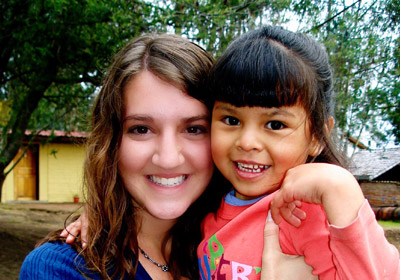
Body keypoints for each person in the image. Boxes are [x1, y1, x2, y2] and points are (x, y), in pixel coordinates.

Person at [19, 33, 316, 280]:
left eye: (194, 129)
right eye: (141, 129)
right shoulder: (62, 269)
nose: (168, 158)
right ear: (111, 141)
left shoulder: (227, 247)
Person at [197, 25, 400, 279]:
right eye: (231, 120)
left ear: (317, 136)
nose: (247, 142)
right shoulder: (207, 210)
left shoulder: (302, 214)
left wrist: (341, 188)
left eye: (275, 125)